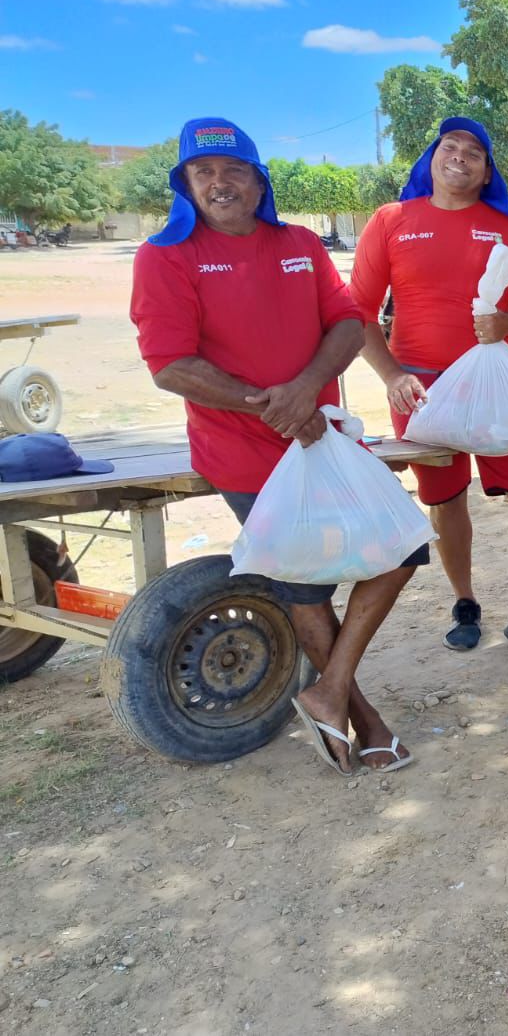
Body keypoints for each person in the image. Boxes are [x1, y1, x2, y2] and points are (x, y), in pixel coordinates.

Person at [131, 117, 425, 775]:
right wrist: (273, 407)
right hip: (241, 449)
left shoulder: (298, 243)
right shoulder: (165, 256)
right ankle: (366, 721)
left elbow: (347, 323)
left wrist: (306, 390)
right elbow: (170, 365)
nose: (219, 183)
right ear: (185, 183)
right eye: (203, 172)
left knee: (402, 548)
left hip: (321, 438)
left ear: (258, 180)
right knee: (305, 587)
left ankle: (328, 690)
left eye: (233, 170)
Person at [349, 118, 508, 660]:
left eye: (474, 151)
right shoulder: (391, 221)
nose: (459, 156)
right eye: (448, 147)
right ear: (430, 160)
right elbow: (357, 312)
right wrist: (392, 376)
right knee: (446, 500)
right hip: (422, 390)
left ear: (487, 172)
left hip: (499, 386)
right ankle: (465, 603)